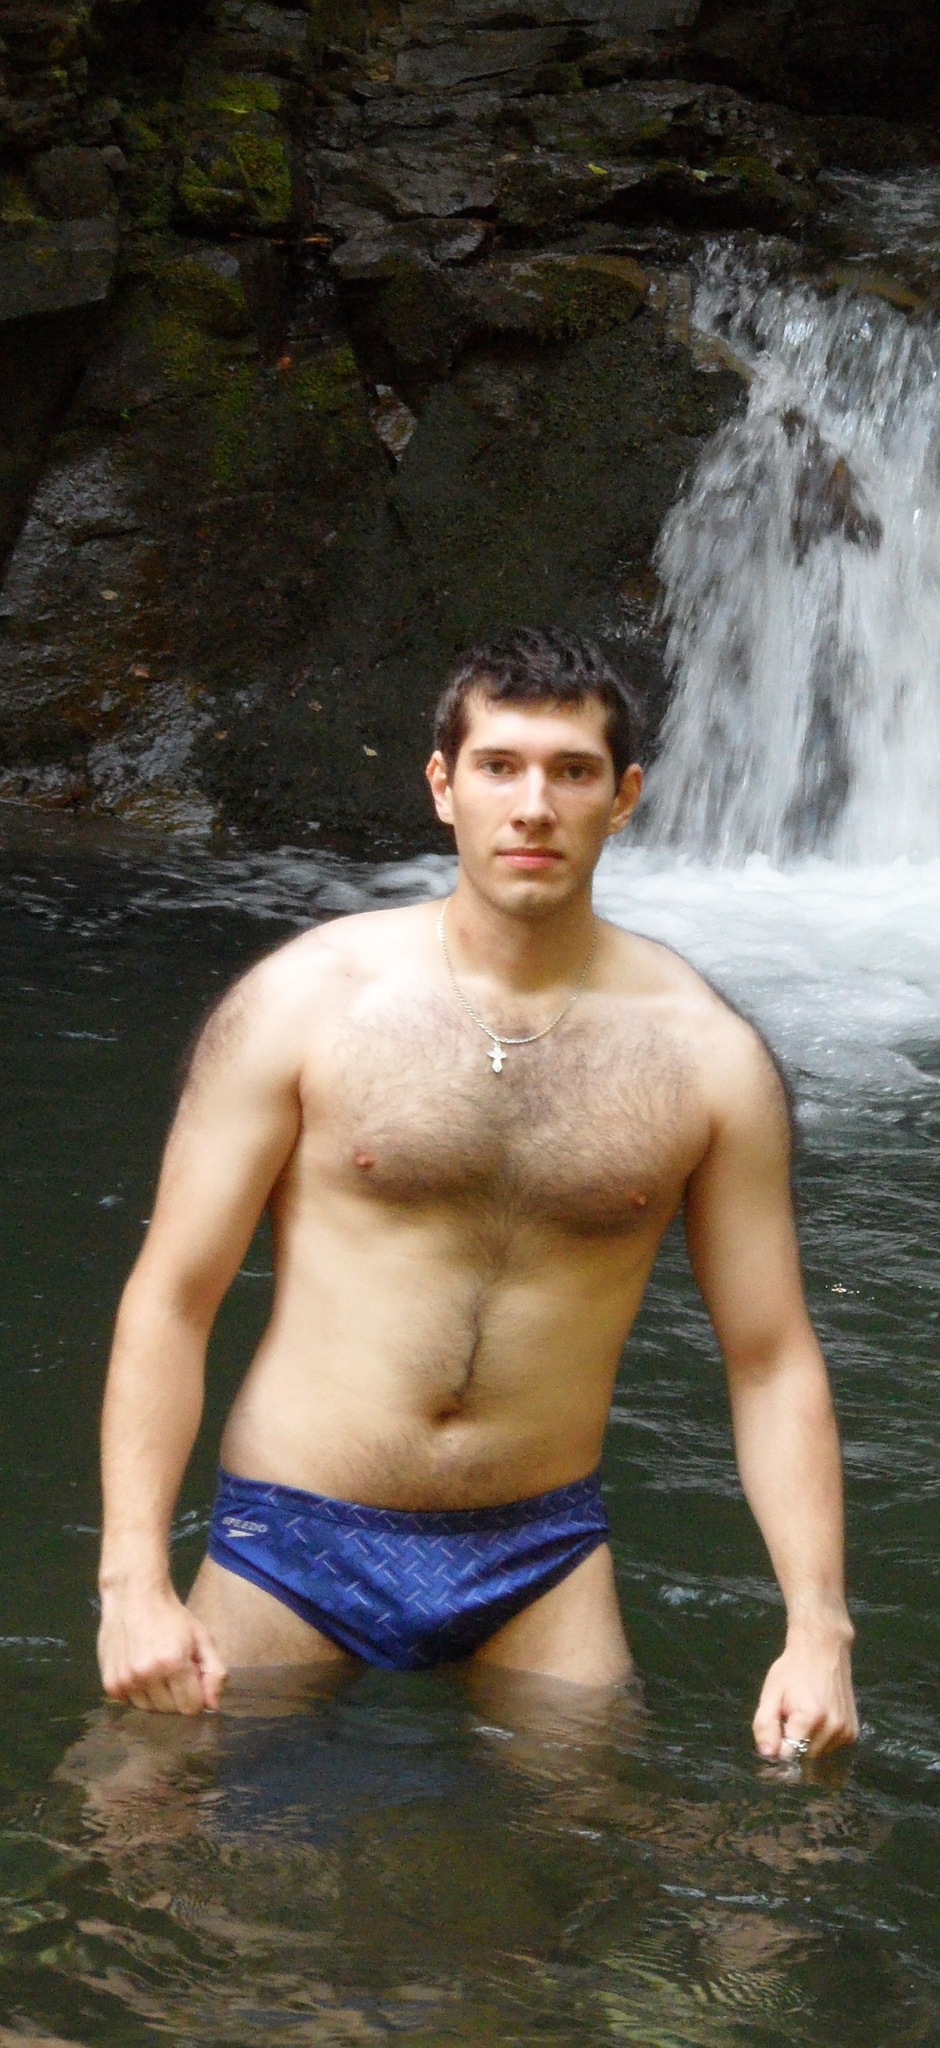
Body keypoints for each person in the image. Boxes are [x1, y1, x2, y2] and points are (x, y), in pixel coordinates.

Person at [97, 627, 858, 1759]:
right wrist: (131, 1580)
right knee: (142, 1820)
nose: (533, 806)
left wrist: (817, 1629)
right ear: (443, 787)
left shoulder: (707, 1056)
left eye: (572, 771)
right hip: (288, 1535)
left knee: (595, 1852)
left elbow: (770, 1354)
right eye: (499, 766)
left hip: (540, 1553)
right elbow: (171, 1297)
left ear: (624, 797)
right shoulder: (304, 1002)